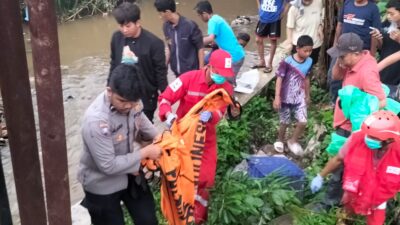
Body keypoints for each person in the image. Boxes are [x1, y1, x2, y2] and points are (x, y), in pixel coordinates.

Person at [78, 64, 162, 225]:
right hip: (102, 183)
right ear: (109, 91)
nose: (127, 106)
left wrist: (159, 137)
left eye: (132, 102)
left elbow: (140, 118)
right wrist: (145, 153)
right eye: (122, 101)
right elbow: (108, 166)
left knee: (148, 220)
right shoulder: (96, 121)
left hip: (131, 173)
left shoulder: (132, 102)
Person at [158, 49, 234, 224]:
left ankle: (198, 217)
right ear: (209, 67)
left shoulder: (225, 88)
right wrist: (168, 115)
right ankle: (179, 212)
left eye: (225, 75)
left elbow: (220, 112)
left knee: (206, 179)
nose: (222, 78)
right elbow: (165, 99)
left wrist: (212, 116)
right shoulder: (188, 78)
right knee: (180, 176)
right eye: (220, 74)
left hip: (206, 139)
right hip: (183, 138)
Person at [315, 32, 387, 211]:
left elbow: (381, 100)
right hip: (344, 124)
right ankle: (339, 198)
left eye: (343, 55)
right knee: (341, 163)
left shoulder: (366, 72)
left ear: (356, 53)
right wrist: (341, 62)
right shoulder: (352, 62)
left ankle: (328, 204)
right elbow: (336, 77)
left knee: (339, 165)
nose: (340, 58)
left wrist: (358, 113)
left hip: (351, 128)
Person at [310, 110, 400, 225]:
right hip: (353, 191)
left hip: (379, 198)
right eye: (367, 134)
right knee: (345, 217)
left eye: (373, 137)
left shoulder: (398, 150)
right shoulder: (357, 138)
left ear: (389, 140)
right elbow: (338, 159)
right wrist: (320, 176)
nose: (367, 138)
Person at [109, 2, 168, 122]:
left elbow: (160, 73)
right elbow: (113, 63)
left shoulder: (154, 43)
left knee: (143, 129)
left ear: (138, 22)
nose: (124, 30)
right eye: (121, 26)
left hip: (146, 96)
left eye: (128, 26)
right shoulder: (116, 38)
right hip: (121, 94)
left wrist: (166, 98)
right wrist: (109, 88)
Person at [329, 0, 381, 104]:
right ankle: (335, 102)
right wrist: (335, 46)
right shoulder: (347, 3)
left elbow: (374, 34)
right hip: (342, 48)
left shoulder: (373, 8)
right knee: (334, 77)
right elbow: (340, 25)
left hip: (359, 52)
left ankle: (353, 104)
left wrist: (372, 55)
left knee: (355, 80)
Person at [273, 35, 313, 156]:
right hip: (285, 97)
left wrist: (307, 95)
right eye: (305, 50)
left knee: (303, 122)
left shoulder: (310, 61)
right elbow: (279, 79)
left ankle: (293, 140)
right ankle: (280, 139)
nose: (308, 53)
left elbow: (306, 78)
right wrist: (277, 97)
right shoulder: (287, 62)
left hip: (299, 96)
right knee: (284, 121)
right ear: (297, 48)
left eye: (310, 50)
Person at [195, 0, 245, 81]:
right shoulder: (217, 18)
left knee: (228, 84)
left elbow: (210, 38)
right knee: (221, 78)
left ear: (204, 13)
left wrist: (195, 42)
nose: (200, 18)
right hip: (235, 55)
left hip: (234, 57)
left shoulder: (212, 21)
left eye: (199, 15)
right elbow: (214, 41)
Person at [154, 0, 205, 77]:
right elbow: (169, 47)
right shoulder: (166, 27)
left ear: (167, 12)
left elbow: (200, 48)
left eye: (160, 13)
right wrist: (165, 65)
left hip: (191, 73)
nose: (159, 16)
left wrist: (201, 70)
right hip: (177, 73)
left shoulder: (190, 25)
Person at [371, 0, 400, 96]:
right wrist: (377, 38)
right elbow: (380, 47)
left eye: (392, 14)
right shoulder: (387, 24)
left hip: (396, 74)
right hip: (383, 71)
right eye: (387, 13)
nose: (388, 16)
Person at [285, 0, 324, 67]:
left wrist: (321, 25)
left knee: (311, 66)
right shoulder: (294, 8)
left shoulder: (319, 2)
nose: (307, 1)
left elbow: (322, 15)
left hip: (315, 45)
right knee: (297, 68)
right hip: (300, 46)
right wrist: (289, 42)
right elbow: (289, 27)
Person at [254, 0, 290, 73]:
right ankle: (262, 61)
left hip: (275, 20)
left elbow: (288, 2)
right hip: (262, 18)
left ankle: (269, 64)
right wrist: (259, 8)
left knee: (273, 41)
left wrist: (283, 14)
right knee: (258, 39)